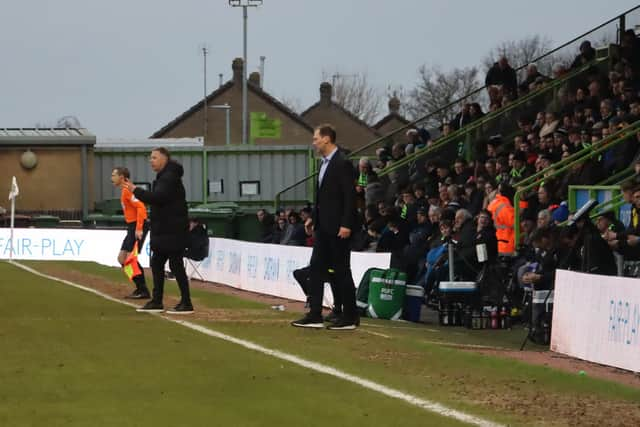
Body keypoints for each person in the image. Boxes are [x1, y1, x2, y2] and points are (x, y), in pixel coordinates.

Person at [292, 124, 358, 330]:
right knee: (317, 269)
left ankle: (350, 316)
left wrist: (346, 224)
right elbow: (322, 197)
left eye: (316, 139)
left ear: (327, 139)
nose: (314, 143)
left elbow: (349, 197)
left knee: (341, 271)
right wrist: (313, 217)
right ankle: (314, 314)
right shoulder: (323, 164)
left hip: (338, 227)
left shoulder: (342, 163)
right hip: (322, 226)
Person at [123, 147, 193, 314]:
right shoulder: (165, 176)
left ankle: (185, 302)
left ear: (164, 158)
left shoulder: (169, 178)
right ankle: (157, 300)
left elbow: (157, 198)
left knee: (175, 265)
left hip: (172, 229)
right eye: (150, 158)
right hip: (165, 229)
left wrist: (135, 190)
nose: (151, 161)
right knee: (157, 263)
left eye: (154, 157)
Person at [111, 167, 150, 299]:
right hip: (131, 226)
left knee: (130, 259)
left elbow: (141, 207)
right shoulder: (125, 190)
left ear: (122, 177)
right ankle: (139, 287)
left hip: (137, 226)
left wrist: (139, 228)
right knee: (122, 259)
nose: (112, 178)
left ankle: (142, 289)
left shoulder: (128, 190)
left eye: (114, 175)